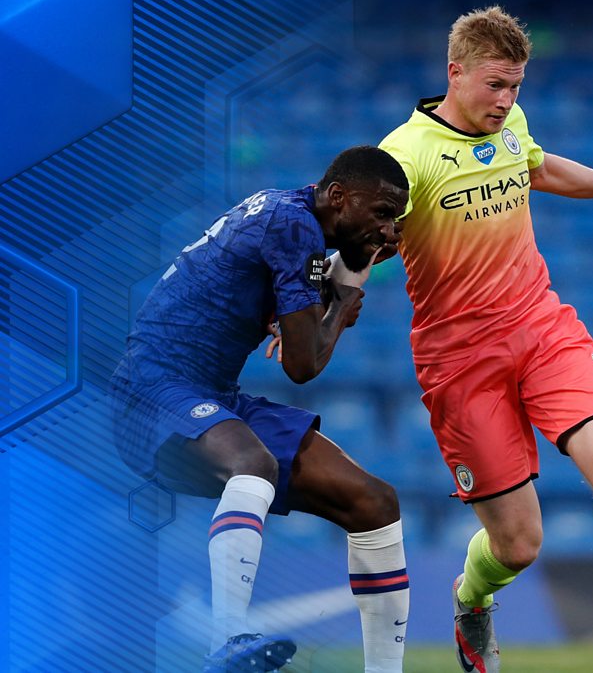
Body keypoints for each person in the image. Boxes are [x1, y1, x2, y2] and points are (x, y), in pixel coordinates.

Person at [377, 7, 593, 673]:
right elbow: (363, 237)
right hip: (460, 361)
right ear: (455, 72)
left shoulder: (511, 125)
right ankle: (472, 598)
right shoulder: (405, 156)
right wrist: (307, 295)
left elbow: (535, 167)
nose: (506, 101)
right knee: (519, 544)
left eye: (516, 87)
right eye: (495, 85)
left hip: (541, 328)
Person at [110, 146, 413, 672]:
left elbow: (304, 296)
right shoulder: (294, 227)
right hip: (152, 389)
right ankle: (227, 640)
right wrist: (340, 309)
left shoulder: (292, 217)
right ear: (338, 196)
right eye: (382, 213)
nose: (388, 230)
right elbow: (302, 364)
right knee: (253, 464)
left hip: (211, 393)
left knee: (373, 502)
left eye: (395, 219)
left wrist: (328, 294)